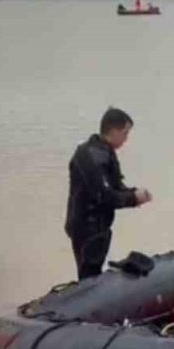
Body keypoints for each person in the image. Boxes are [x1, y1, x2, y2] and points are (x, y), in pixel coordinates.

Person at [65, 108, 152, 280]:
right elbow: (105, 196)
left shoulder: (103, 151)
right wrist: (133, 198)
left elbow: (116, 187)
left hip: (96, 226)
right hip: (87, 228)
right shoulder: (93, 156)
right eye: (125, 133)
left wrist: (134, 194)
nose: (126, 139)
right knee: (89, 276)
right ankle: (86, 302)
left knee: (95, 270)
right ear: (113, 130)